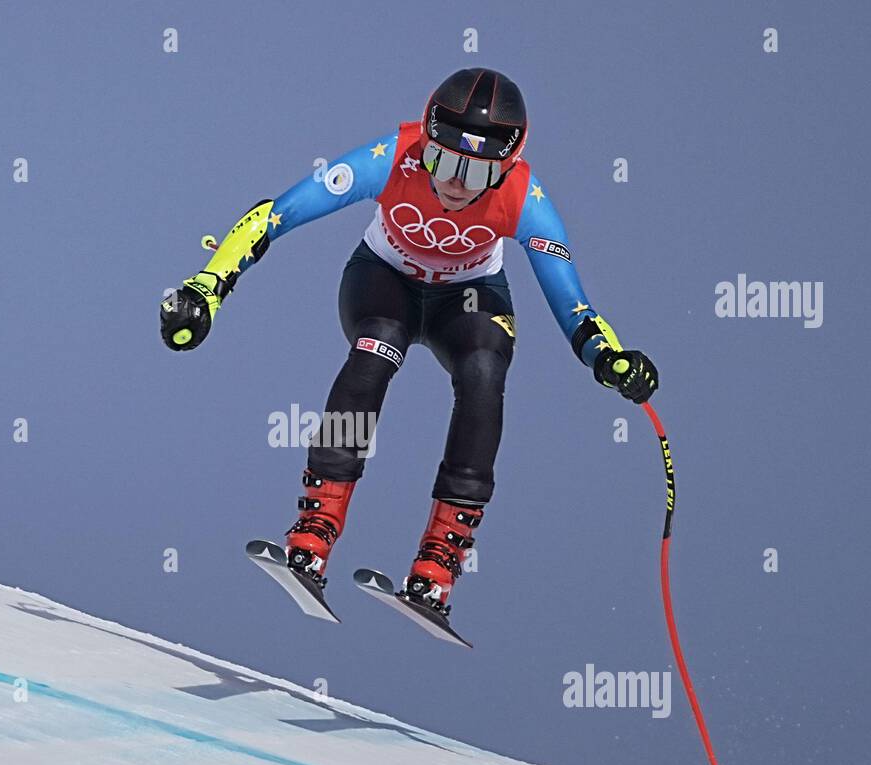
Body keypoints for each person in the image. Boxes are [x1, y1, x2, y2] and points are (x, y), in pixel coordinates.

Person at [161, 67, 658, 618]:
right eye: (443, 160)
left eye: (478, 172)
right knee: (378, 345)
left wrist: (609, 359)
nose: (457, 184)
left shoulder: (525, 199)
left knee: (484, 372)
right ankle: (314, 531)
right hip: (384, 282)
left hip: (467, 299)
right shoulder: (392, 156)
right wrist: (205, 289)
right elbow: (275, 215)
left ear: (508, 168)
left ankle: (439, 563)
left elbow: (573, 306)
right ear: (426, 142)